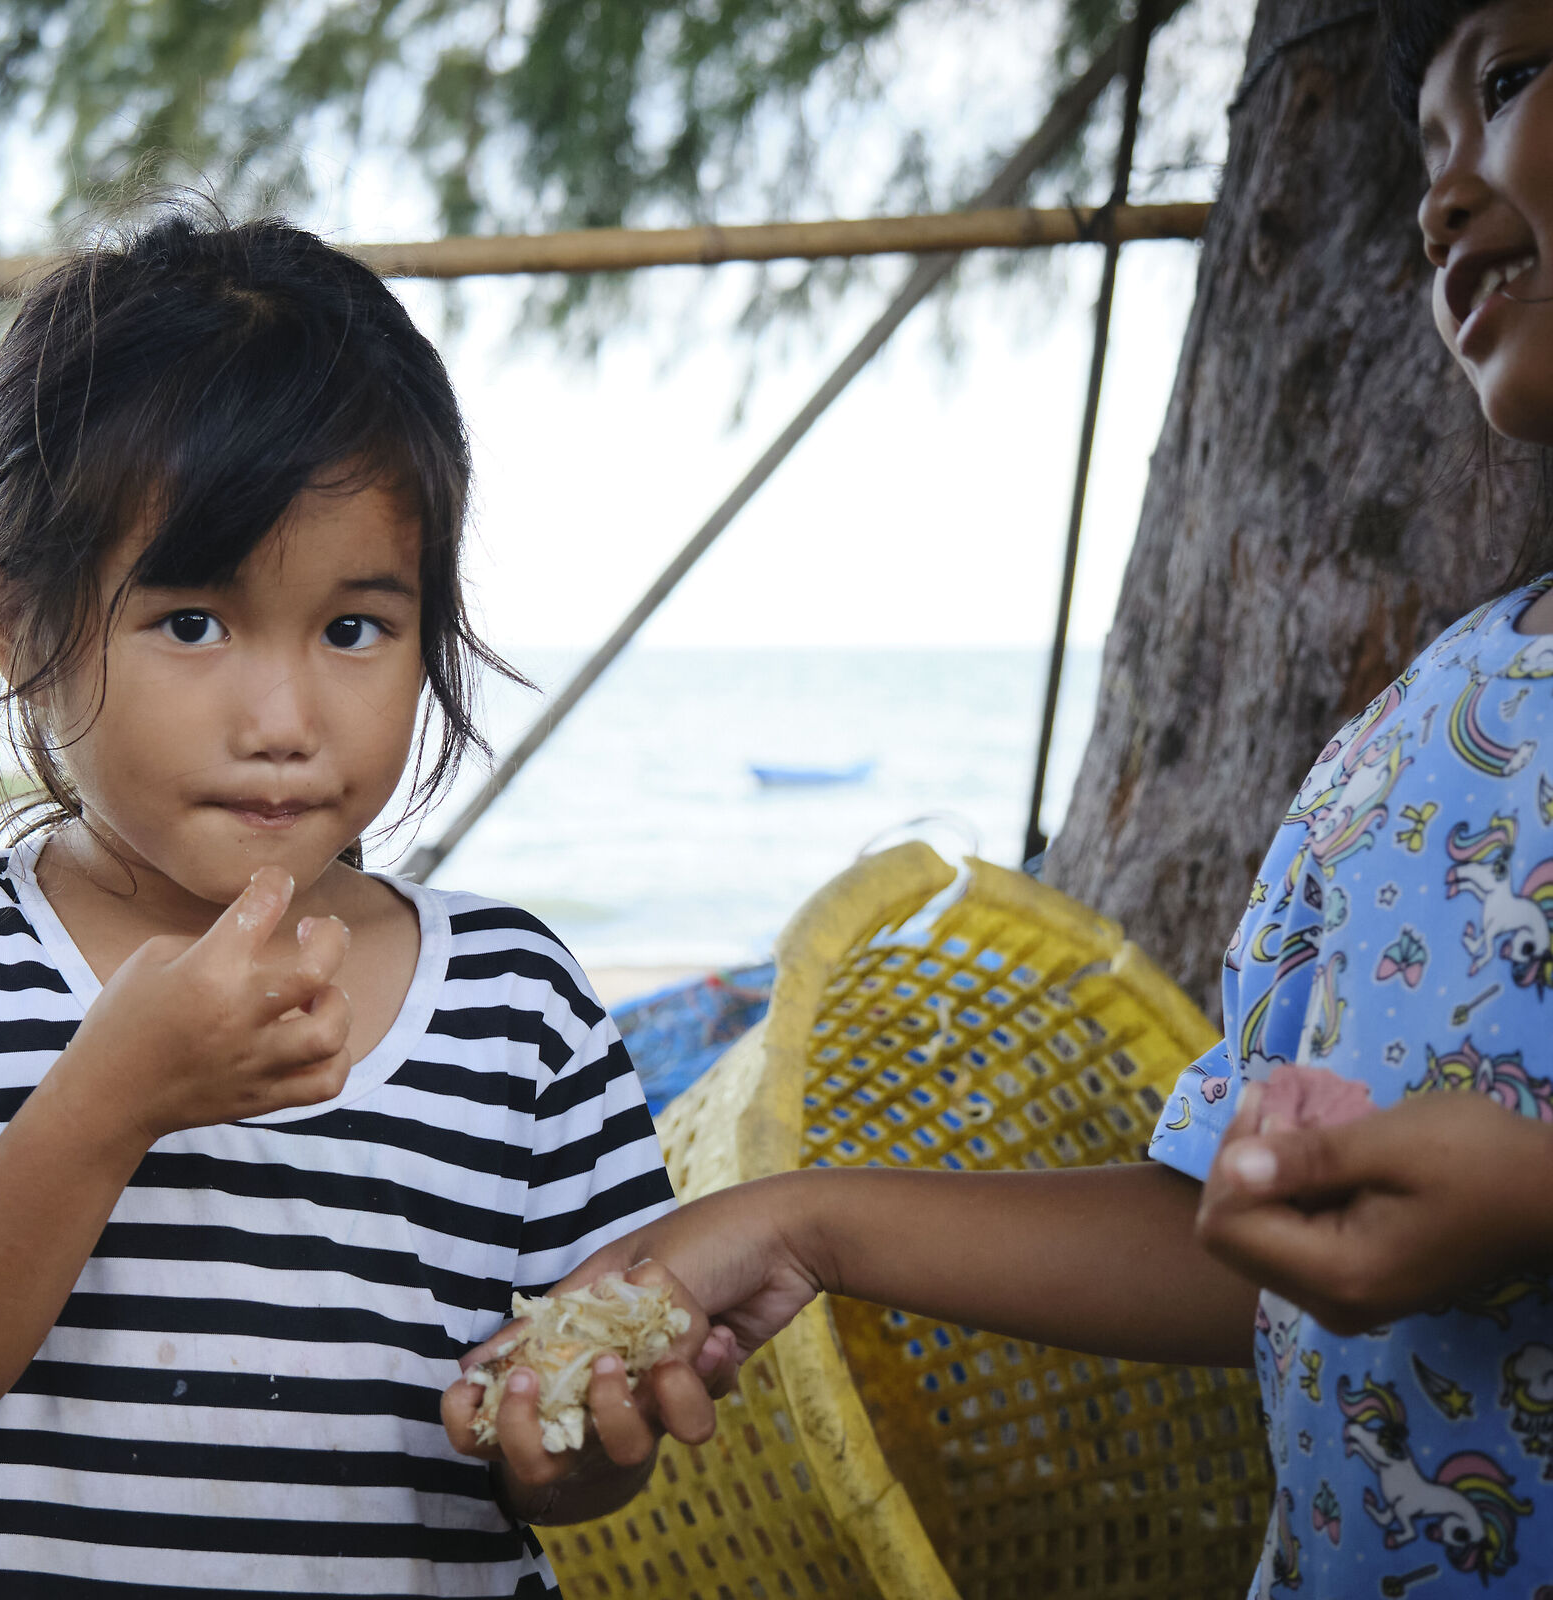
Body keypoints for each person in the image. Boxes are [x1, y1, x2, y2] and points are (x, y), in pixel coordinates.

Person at [457, 5, 1553, 1591]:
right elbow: (1231, 1247)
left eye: (1512, 84)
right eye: (1422, 155)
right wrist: (802, 1225)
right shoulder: (1415, 730)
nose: (1440, 198)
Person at [0, 212, 728, 1598]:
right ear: (23, 632)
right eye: (193, 622)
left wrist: (578, 1446)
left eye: (355, 628)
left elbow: (569, 1424)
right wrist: (106, 1101)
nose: (285, 719)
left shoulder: (514, 1009)